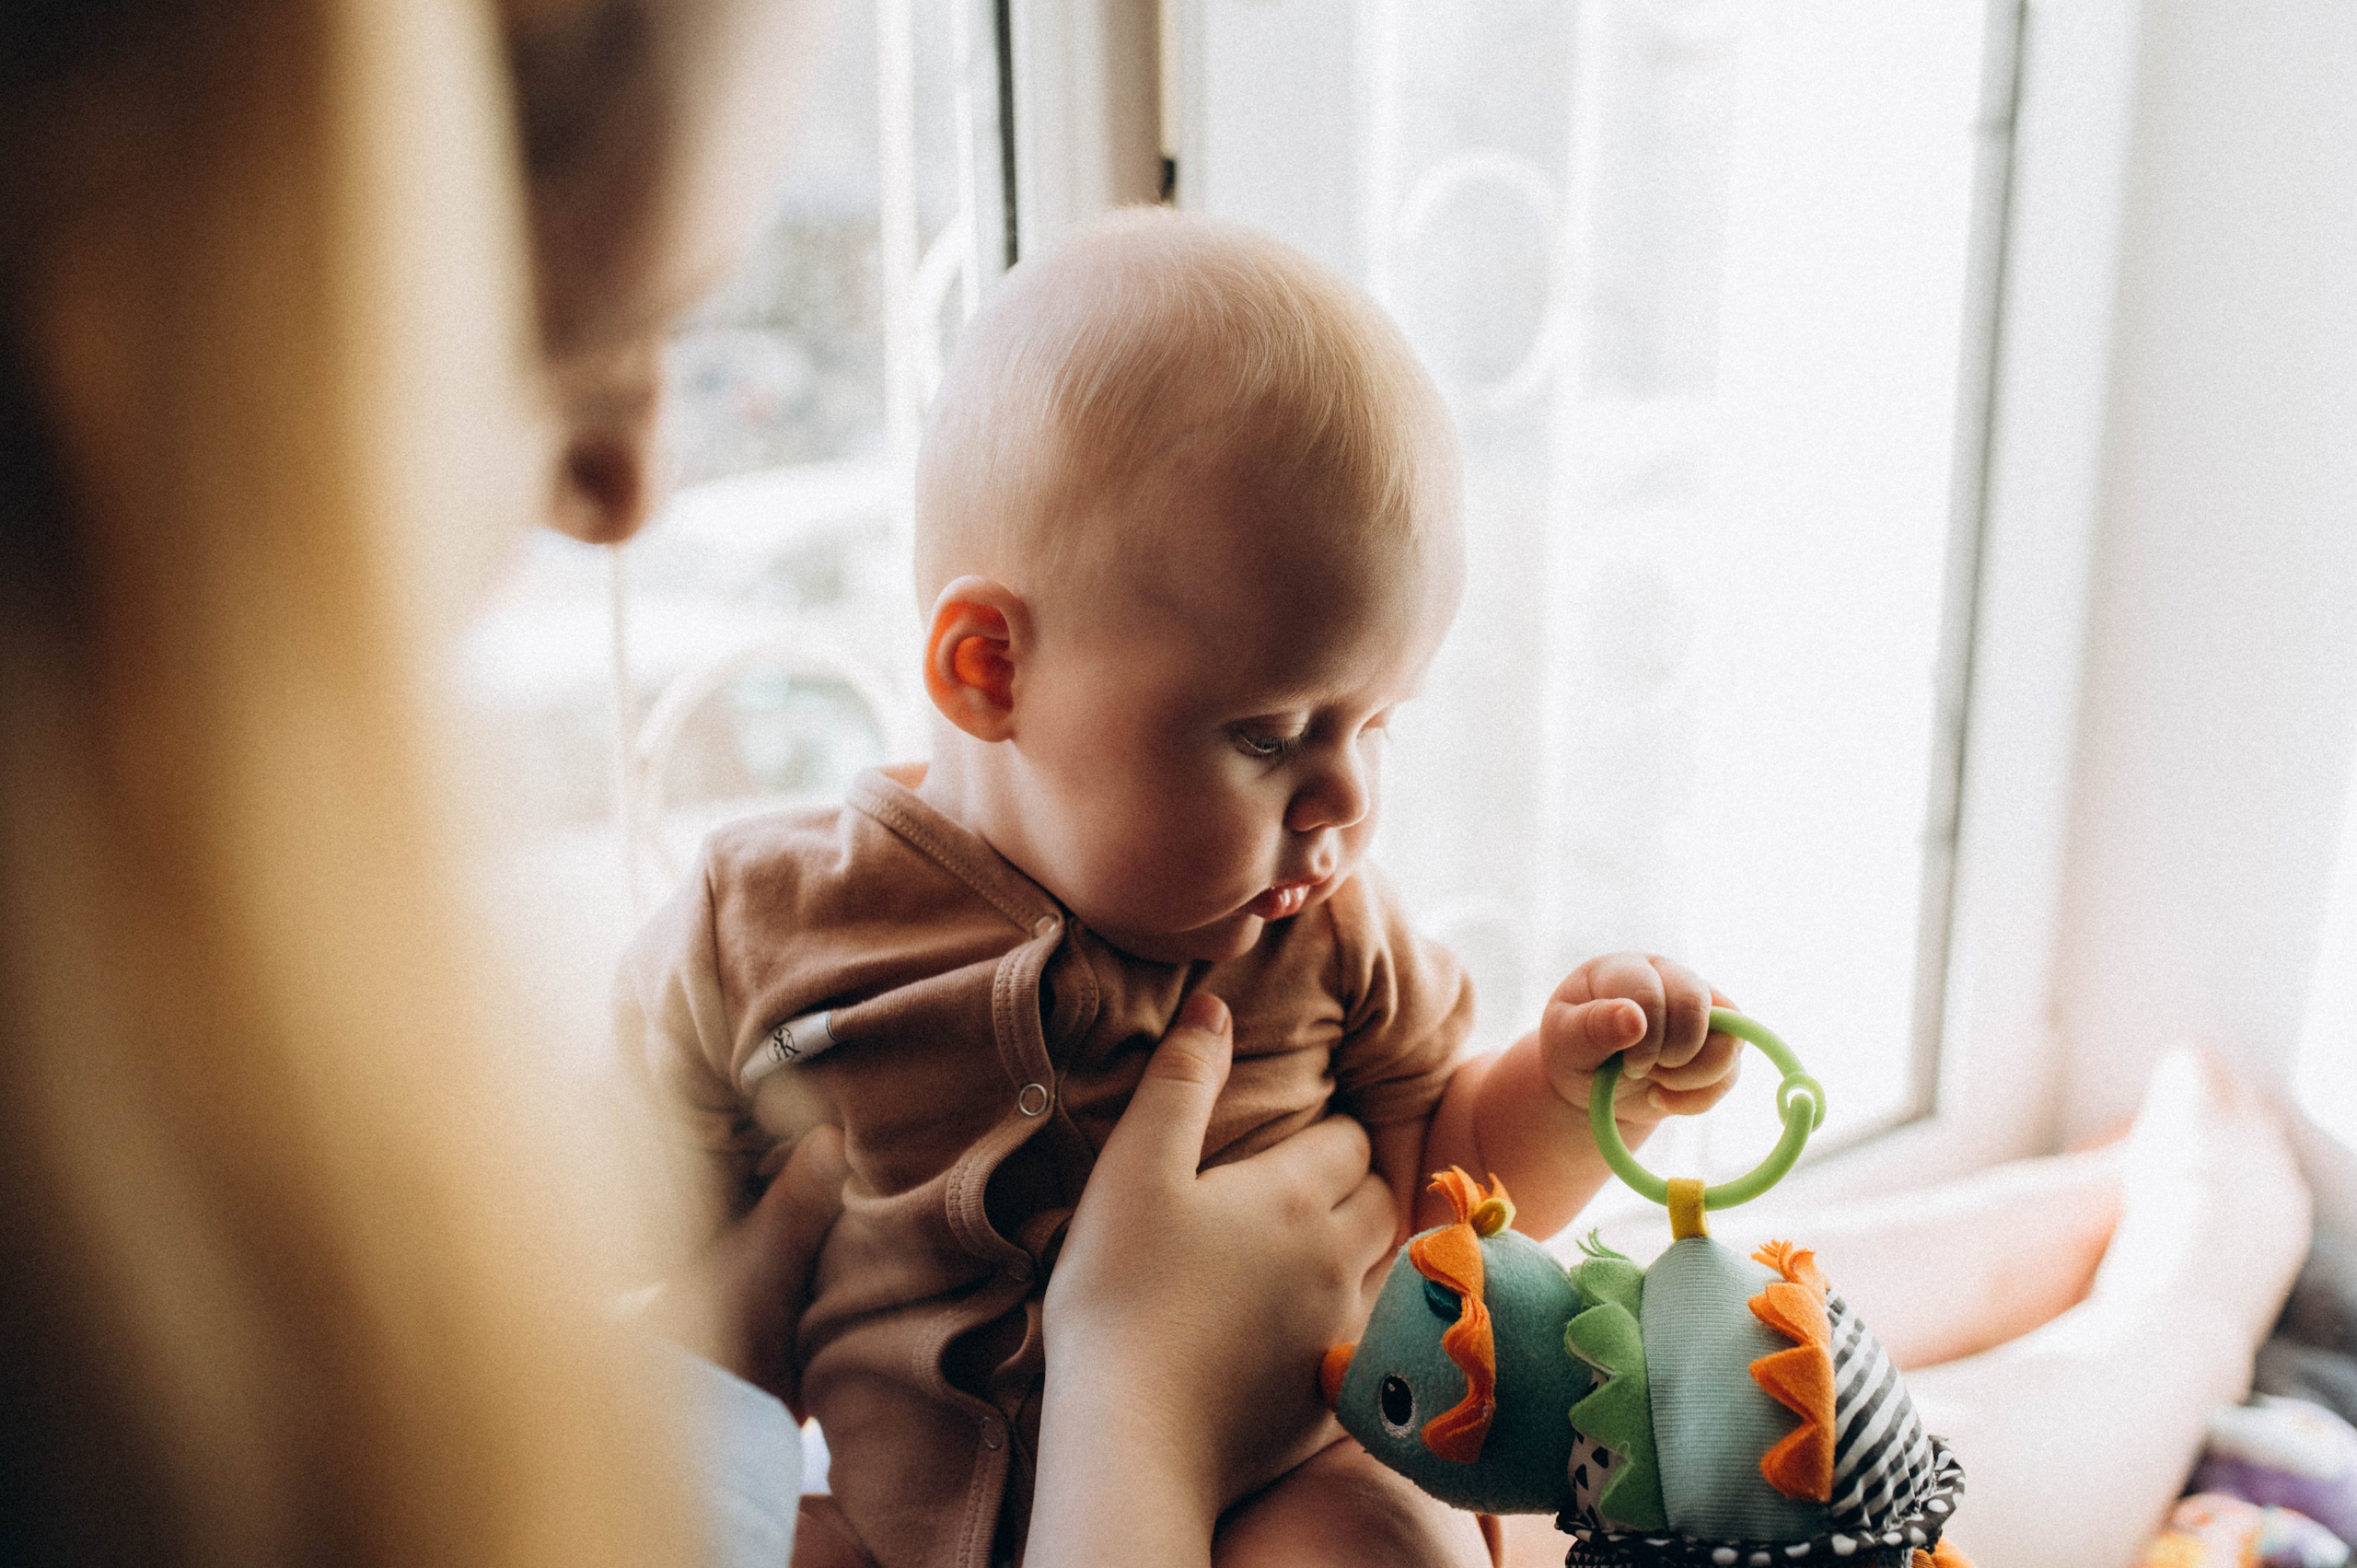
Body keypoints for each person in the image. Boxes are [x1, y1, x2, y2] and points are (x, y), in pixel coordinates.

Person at [0, 0, 1399, 1563]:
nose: (636, 488)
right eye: (581, 346)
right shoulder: (754, 921)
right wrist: (1143, 1397)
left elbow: (1442, 1146)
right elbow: (638, 1162)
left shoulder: (201, 1126)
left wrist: (705, 1392)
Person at [620, 210, 1748, 1567]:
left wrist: (1567, 1099)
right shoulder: (764, 920)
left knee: (1381, 1543)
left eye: (1376, 725)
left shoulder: (1329, 927)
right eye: (1272, 735)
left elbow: (1441, 1195)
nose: (1344, 801)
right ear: (990, 670)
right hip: (893, 1527)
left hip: (1282, 1476)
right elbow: (638, 1223)